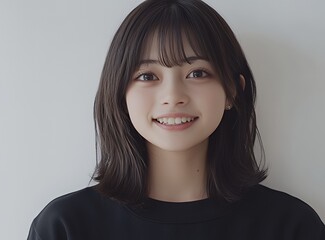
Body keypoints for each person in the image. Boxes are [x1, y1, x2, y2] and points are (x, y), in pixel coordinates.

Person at [27, 0, 325, 239]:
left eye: (197, 73)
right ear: (119, 94)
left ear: (233, 91)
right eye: (147, 76)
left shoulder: (291, 226)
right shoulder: (65, 227)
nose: (173, 96)